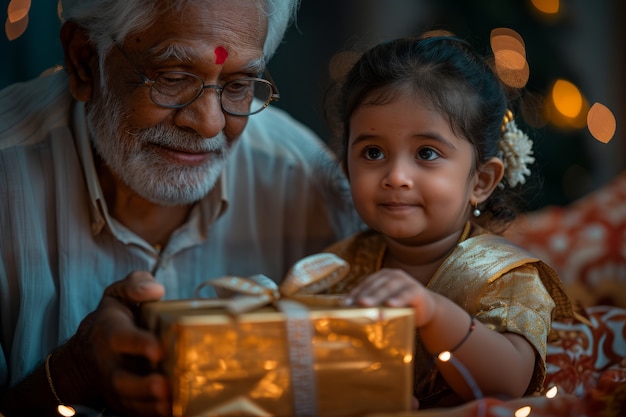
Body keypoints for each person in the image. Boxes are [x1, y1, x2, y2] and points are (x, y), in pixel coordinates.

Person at [0, 0, 360, 416]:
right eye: (172, 77)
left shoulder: (307, 183)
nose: (209, 123)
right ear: (84, 61)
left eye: (239, 84)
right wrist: (68, 375)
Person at [321, 33, 576, 408]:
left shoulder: (507, 277)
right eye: (373, 153)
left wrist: (433, 312)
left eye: (426, 152)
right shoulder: (340, 266)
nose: (396, 176)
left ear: (480, 181)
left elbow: (511, 382)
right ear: (346, 167)